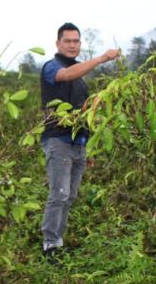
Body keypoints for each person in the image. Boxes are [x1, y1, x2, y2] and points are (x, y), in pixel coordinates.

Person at [40, 22, 119, 259]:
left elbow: (87, 114)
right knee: (59, 193)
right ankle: (50, 244)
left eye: (76, 41)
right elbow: (65, 75)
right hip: (58, 140)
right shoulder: (51, 67)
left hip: (79, 143)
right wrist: (102, 58)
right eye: (68, 41)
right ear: (58, 43)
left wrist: (90, 147)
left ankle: (58, 240)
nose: (72, 45)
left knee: (70, 195)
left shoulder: (81, 78)